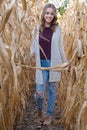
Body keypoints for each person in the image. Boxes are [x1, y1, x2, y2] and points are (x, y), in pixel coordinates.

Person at [30, 3, 67, 125]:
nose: (49, 16)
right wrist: (27, 57)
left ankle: (49, 115)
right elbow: (33, 45)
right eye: (47, 13)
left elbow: (60, 46)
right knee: (39, 93)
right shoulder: (37, 28)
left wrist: (65, 61)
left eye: (52, 13)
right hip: (40, 65)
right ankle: (40, 111)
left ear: (54, 15)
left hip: (54, 64)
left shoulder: (57, 29)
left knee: (51, 90)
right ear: (43, 14)